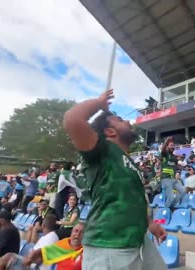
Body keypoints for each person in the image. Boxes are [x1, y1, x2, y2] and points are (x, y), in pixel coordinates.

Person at [63, 89, 167, 269]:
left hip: (137, 240)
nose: (127, 120)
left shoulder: (130, 162)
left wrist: (150, 223)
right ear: (110, 132)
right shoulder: (101, 150)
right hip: (108, 244)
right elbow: (72, 119)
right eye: (120, 120)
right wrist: (99, 103)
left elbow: (132, 198)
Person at [160, 137, 185, 209]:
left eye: (173, 145)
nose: (172, 146)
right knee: (170, 197)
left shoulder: (174, 157)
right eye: (171, 145)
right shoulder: (164, 154)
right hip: (166, 178)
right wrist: (167, 140)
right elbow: (163, 148)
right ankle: (164, 212)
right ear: (167, 146)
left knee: (183, 191)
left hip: (173, 179)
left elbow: (177, 167)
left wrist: (183, 168)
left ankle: (171, 207)